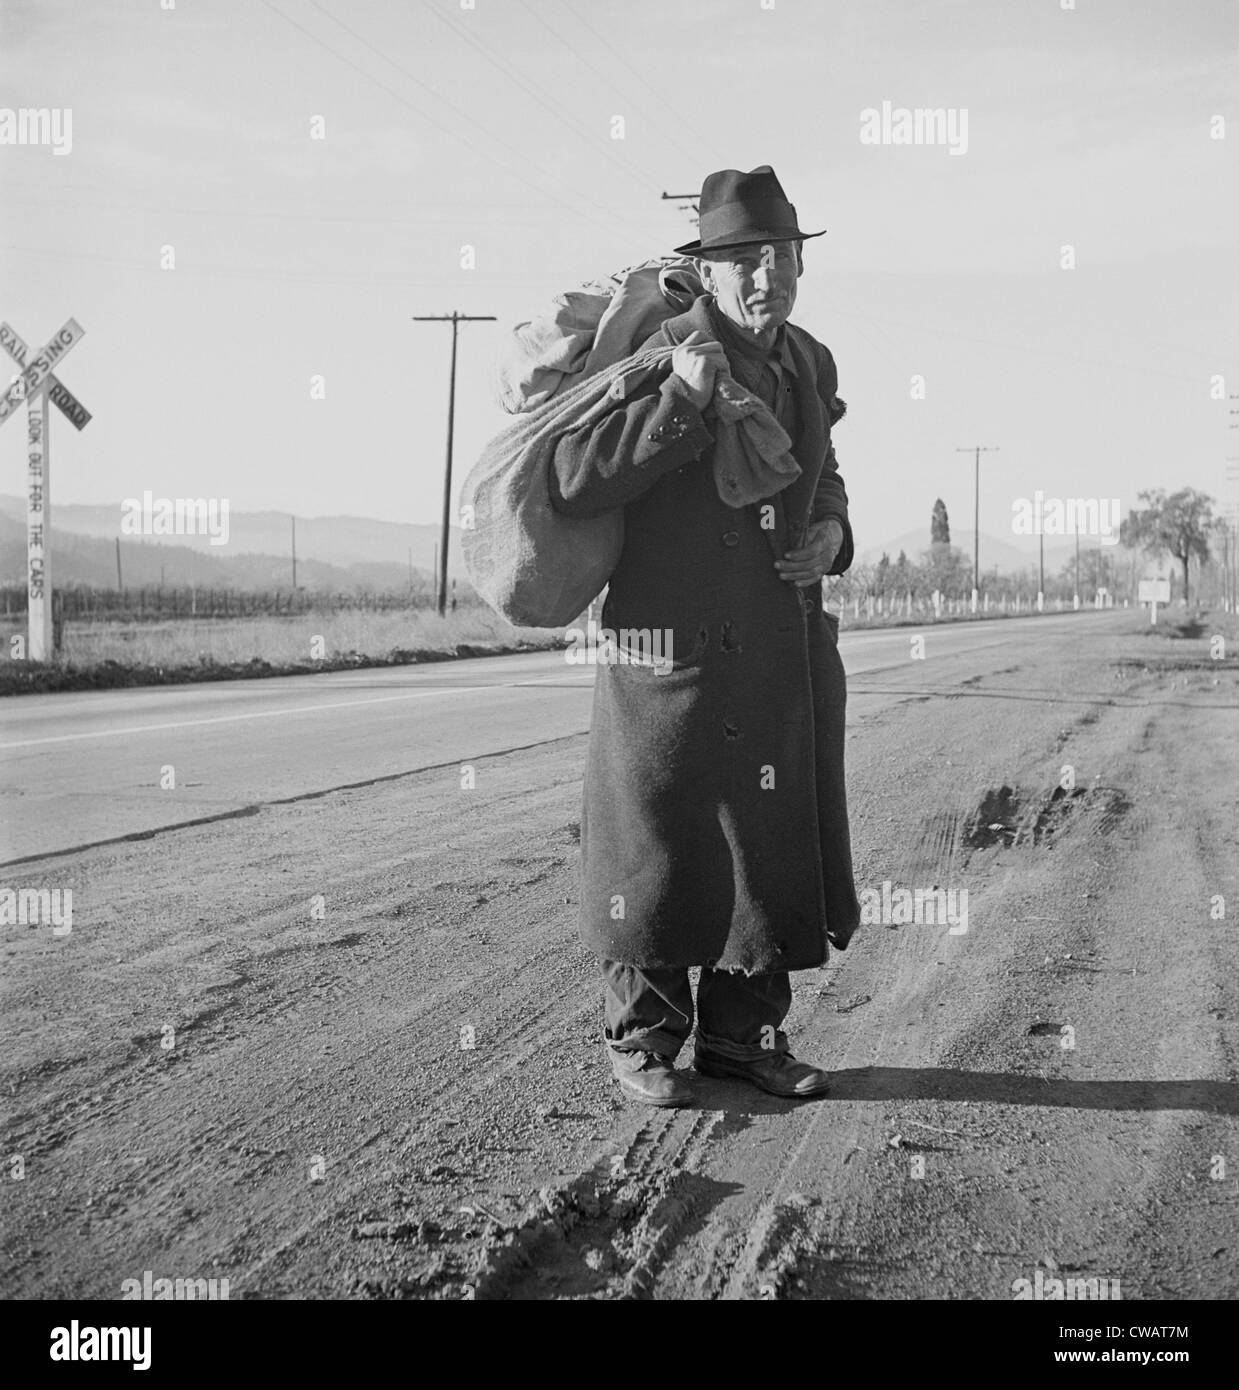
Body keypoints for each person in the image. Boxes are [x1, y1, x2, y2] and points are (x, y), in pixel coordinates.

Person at [548, 165, 861, 1106]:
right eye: (746, 259)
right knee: (655, 841)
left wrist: (830, 533)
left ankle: (743, 1040)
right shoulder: (660, 350)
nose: (768, 274)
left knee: (765, 842)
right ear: (710, 266)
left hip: (774, 643)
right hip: (664, 647)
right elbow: (575, 474)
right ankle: (643, 1042)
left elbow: (828, 471)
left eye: (782, 255)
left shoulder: (808, 362)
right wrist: (679, 403)